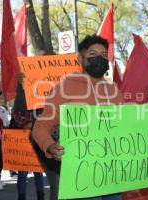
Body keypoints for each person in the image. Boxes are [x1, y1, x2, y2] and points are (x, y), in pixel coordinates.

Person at [32, 35, 123, 200]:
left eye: (104, 55)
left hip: (113, 174)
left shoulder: (114, 90)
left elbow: (127, 125)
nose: (100, 59)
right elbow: (41, 127)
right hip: (81, 175)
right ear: (80, 58)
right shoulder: (63, 89)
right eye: (93, 54)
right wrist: (51, 146)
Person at [9, 81, 45, 200]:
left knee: (38, 171)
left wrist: (34, 123)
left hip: (36, 141)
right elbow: (16, 117)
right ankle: (22, 196)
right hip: (23, 142)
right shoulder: (18, 104)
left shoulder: (39, 103)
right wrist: (26, 123)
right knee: (23, 172)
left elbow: (44, 118)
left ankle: (41, 196)